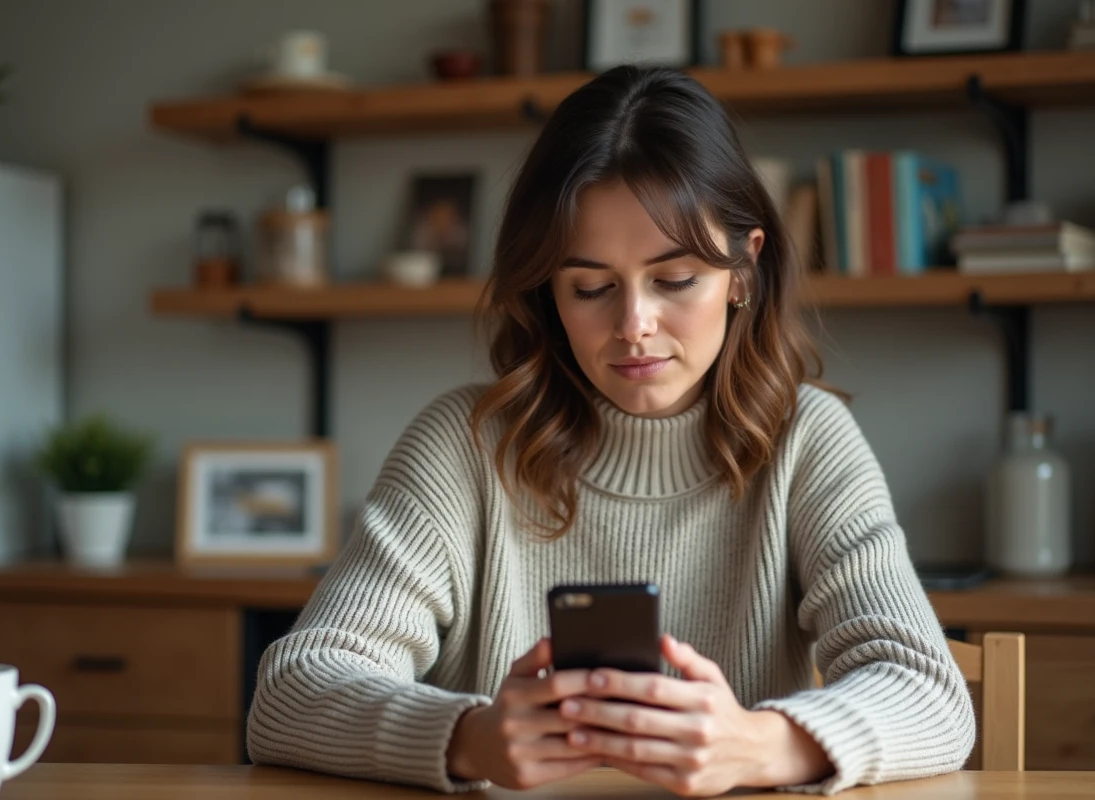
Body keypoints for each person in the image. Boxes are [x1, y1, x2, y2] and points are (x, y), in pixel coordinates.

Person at [246, 65, 975, 795]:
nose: (634, 327)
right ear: (546, 292)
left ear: (744, 270)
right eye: (589, 287)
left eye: (676, 279)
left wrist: (758, 746)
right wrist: (469, 739)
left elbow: (932, 695)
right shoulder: (463, 446)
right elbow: (289, 696)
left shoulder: (809, 439)